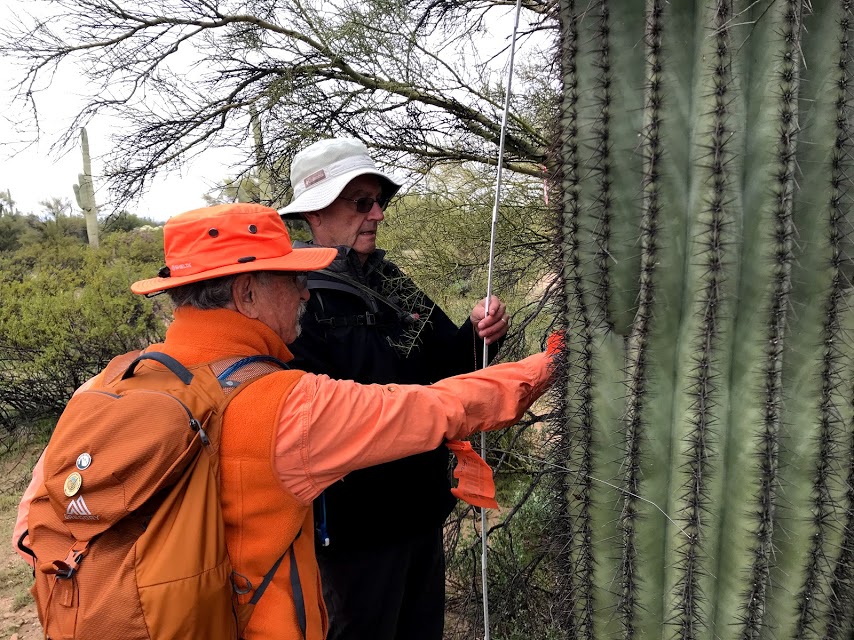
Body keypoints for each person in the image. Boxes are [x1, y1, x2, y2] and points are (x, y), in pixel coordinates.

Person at [12, 202, 554, 640]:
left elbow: (34, 521)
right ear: (246, 293)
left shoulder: (111, 381)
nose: (303, 292)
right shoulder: (283, 404)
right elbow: (440, 410)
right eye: (290, 279)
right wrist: (550, 363)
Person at [279, 138, 511, 640]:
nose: (378, 214)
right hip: (353, 532)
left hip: (419, 511)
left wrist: (478, 331)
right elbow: (309, 420)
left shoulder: (391, 280)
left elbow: (450, 361)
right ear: (316, 210)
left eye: (380, 201)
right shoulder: (296, 294)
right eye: (361, 202)